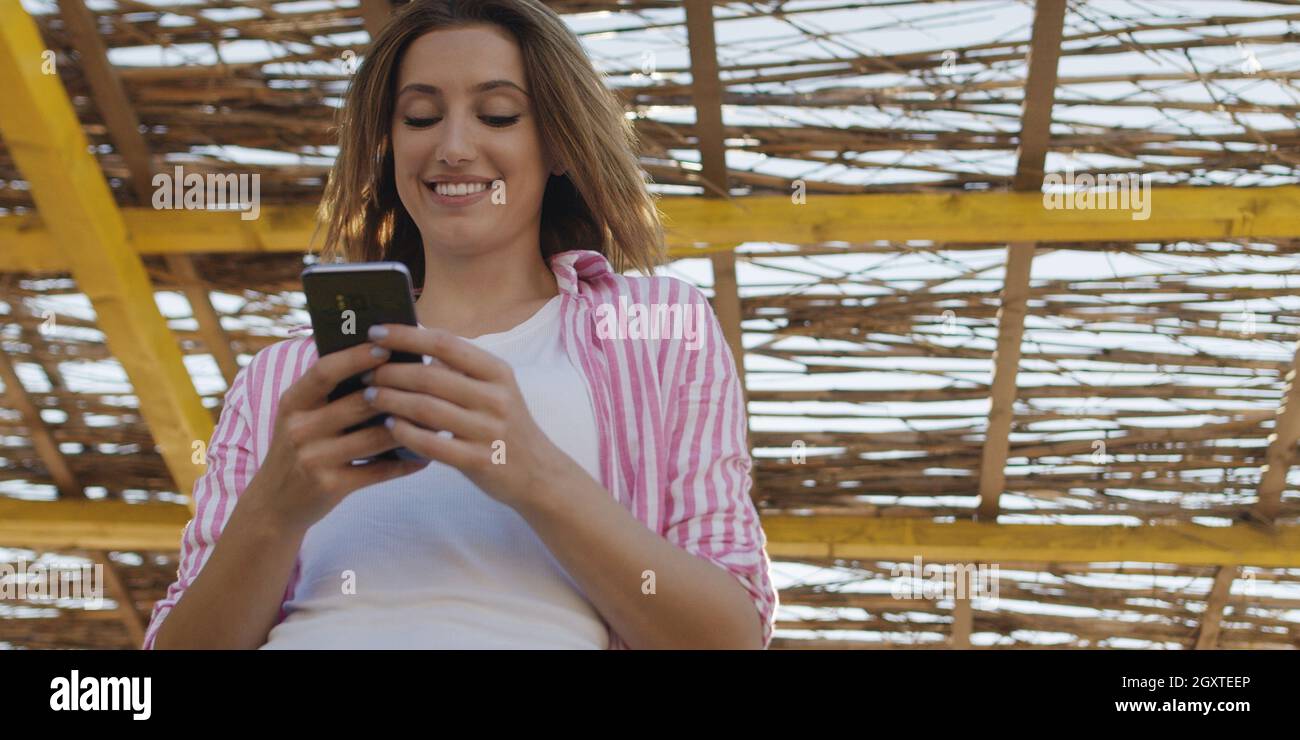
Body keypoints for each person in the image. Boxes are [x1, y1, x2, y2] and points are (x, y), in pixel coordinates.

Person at [145, 0, 775, 649]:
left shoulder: (658, 328)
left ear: (558, 140)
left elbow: (729, 637)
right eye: (420, 117)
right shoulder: (282, 376)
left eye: (497, 114)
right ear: (389, 146)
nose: (452, 147)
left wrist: (536, 476)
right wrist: (273, 514)